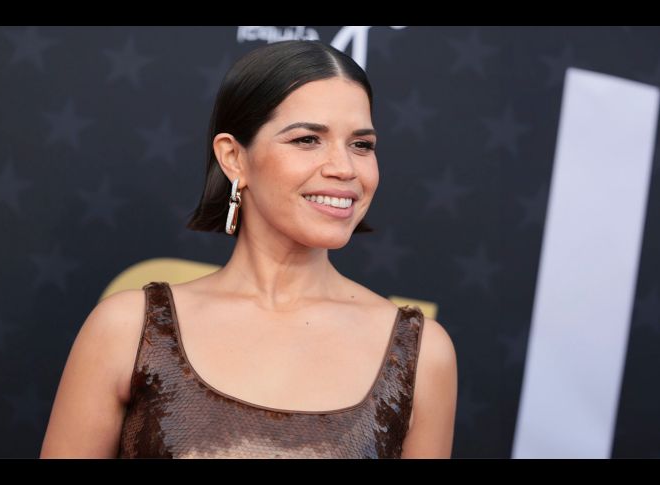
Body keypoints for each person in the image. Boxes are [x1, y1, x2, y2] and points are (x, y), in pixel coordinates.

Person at [40, 39, 457, 459]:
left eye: (361, 145)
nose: (345, 168)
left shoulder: (421, 353)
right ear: (234, 157)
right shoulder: (128, 329)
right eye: (308, 139)